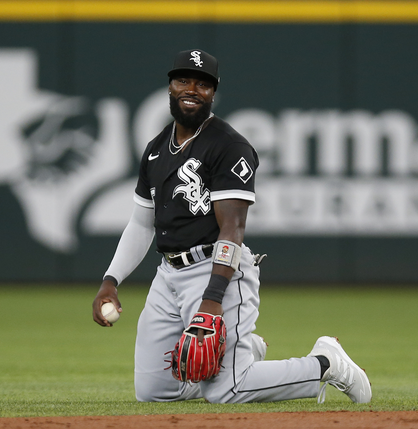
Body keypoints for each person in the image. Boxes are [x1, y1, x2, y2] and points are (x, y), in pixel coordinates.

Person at [92, 49, 372, 404]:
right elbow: (140, 224)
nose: (191, 89)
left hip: (217, 270)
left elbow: (232, 230)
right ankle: (244, 356)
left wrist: (212, 299)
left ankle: (325, 363)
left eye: (203, 83)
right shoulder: (155, 149)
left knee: (228, 391)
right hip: (168, 275)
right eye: (183, 80)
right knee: (154, 390)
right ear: (170, 87)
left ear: (214, 91)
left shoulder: (229, 146)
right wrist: (110, 280)